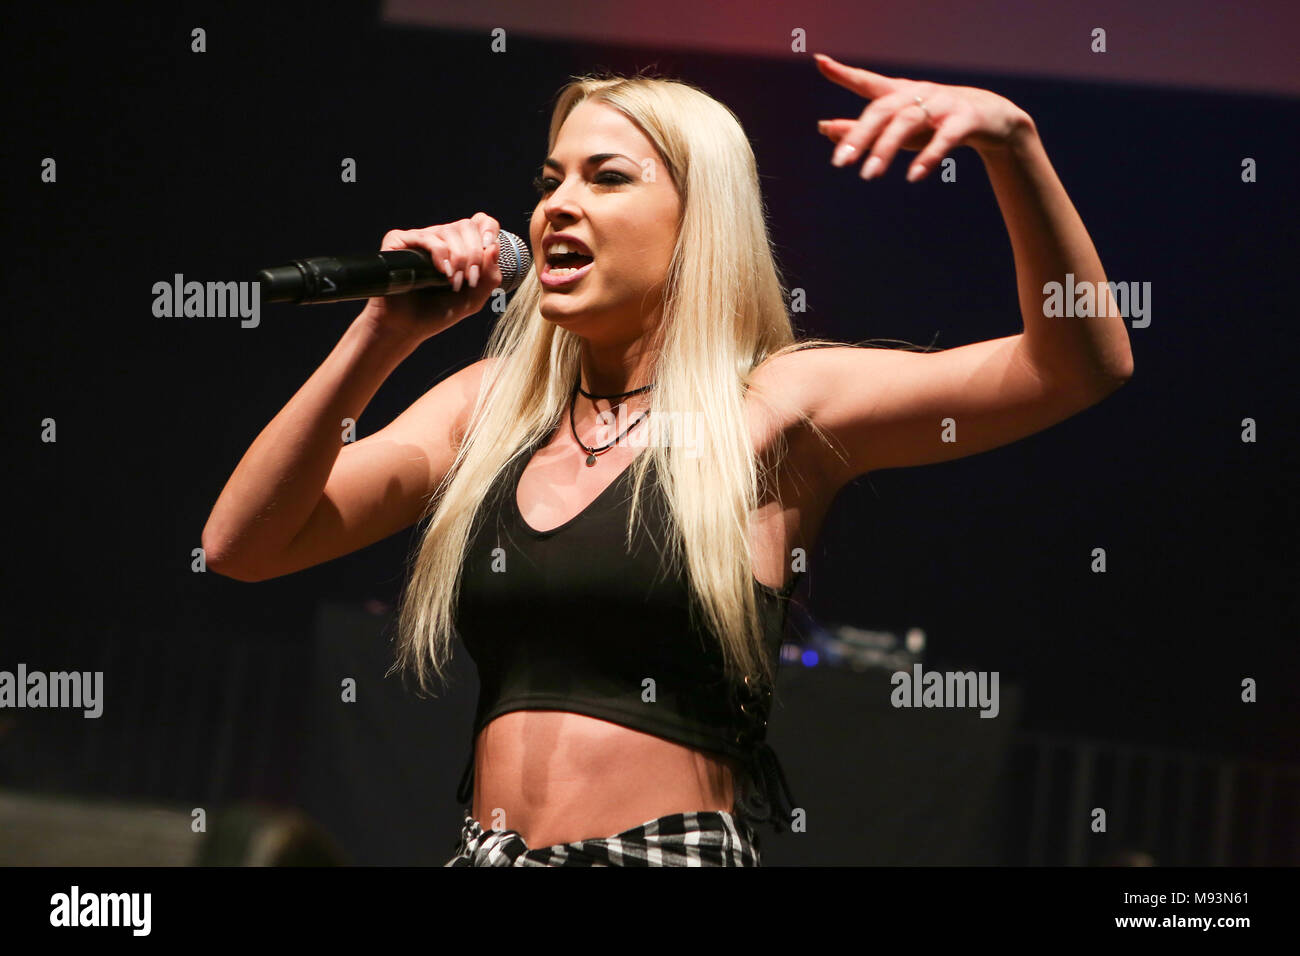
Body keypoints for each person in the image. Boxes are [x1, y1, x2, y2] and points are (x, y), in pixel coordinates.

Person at [202, 55, 1133, 867]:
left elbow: (1076, 365)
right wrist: (378, 337)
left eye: (607, 177)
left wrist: (1013, 145)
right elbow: (244, 544)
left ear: (697, 222)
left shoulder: (771, 409)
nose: (558, 203)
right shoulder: (489, 412)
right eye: (551, 178)